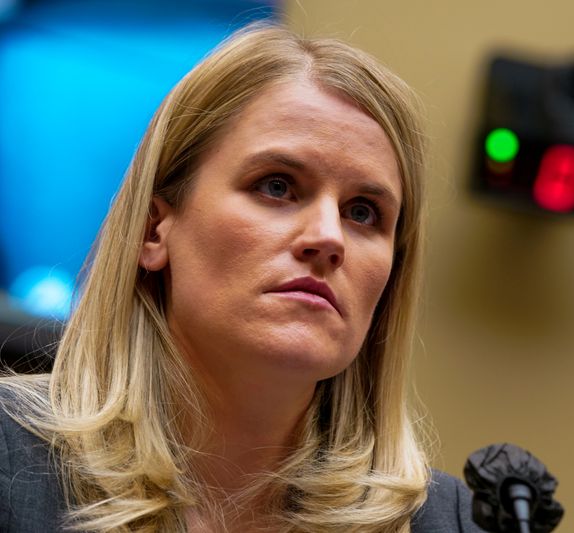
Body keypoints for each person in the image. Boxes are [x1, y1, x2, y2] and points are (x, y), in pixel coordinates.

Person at [0, 23, 480, 532]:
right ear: (154, 231)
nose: (328, 237)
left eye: (362, 213)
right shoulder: (11, 460)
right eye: (277, 186)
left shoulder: (455, 522)